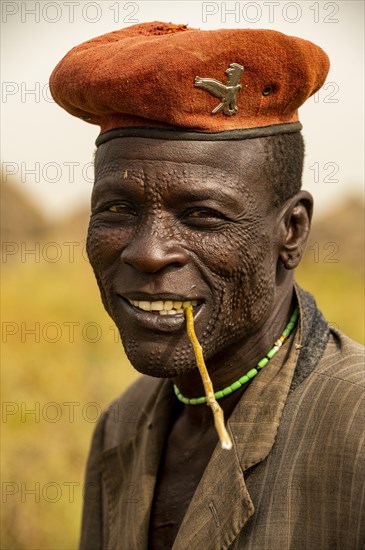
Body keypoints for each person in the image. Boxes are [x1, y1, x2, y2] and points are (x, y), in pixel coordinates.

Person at [50, 22, 364, 550]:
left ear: (291, 231)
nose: (148, 252)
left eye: (201, 215)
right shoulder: (122, 428)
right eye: (116, 209)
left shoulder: (355, 429)